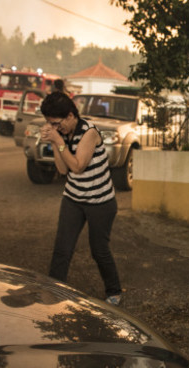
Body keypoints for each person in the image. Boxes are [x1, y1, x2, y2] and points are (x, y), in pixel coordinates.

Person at [39, 92, 123, 306]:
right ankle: (54, 293)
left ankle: (114, 290)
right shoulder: (62, 134)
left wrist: (57, 140)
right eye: (49, 124)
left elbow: (77, 166)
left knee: (99, 250)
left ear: (69, 116)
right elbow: (62, 169)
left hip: (100, 202)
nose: (55, 127)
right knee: (62, 249)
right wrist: (56, 140)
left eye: (56, 123)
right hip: (73, 199)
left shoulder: (89, 132)